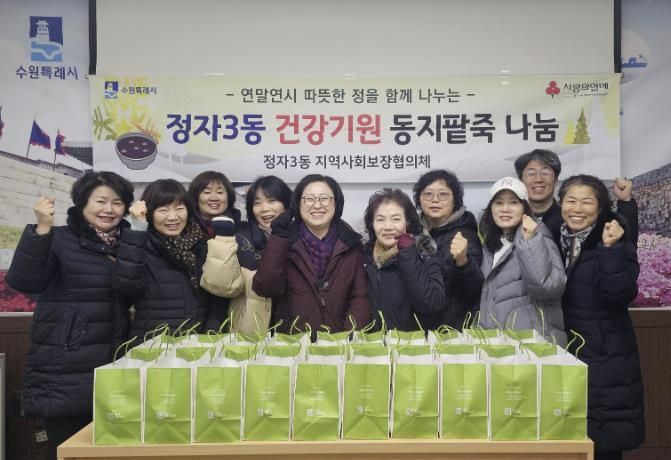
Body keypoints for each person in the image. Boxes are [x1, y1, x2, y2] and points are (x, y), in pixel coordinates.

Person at [5, 171, 134, 459]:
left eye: (117, 202)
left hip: (113, 362)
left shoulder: (128, 243)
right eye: (100, 201)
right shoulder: (59, 238)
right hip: (65, 364)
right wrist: (42, 228)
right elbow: (25, 281)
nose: (109, 209)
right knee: (68, 449)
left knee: (113, 450)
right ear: (82, 202)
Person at [558, 174, 644, 460]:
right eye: (570, 201)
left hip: (606, 357)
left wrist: (610, 250)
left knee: (603, 443)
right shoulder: (558, 238)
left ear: (600, 207)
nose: (577, 209)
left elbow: (619, 295)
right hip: (569, 352)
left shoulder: (612, 241)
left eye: (586, 202)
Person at [252, 174, 371, 336]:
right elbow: (266, 288)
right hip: (294, 341)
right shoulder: (284, 240)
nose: (317, 205)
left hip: (339, 341)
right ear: (298, 204)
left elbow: (360, 297)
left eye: (324, 198)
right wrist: (279, 238)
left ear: (336, 203)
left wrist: (349, 337)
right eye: (309, 199)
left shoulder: (351, 243)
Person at [115, 179, 229, 339]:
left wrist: (210, 336)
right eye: (163, 210)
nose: (173, 217)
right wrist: (137, 230)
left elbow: (218, 299)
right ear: (150, 213)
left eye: (179, 208)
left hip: (197, 346)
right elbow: (127, 286)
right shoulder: (139, 245)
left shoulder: (204, 245)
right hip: (151, 345)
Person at [477, 177, 567, 345]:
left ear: (525, 208)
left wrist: (530, 242)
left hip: (533, 346)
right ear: (491, 209)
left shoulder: (539, 237)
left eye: (513, 202)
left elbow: (548, 288)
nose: (505, 209)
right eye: (498, 203)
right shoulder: (490, 245)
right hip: (500, 346)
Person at [200, 175, 292, 333]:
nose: (264, 208)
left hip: (293, 333)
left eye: (272, 201)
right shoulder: (240, 238)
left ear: (286, 204)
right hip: (247, 335)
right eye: (257, 203)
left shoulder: (300, 238)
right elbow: (221, 290)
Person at [514, 148, 639, 245]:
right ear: (520, 179)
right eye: (531, 173)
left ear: (556, 178)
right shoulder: (511, 218)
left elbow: (622, 244)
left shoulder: (573, 217)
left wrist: (626, 202)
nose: (538, 179)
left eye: (545, 172)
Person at [362, 188, 446, 331]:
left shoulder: (424, 251)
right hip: (374, 343)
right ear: (372, 224)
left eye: (396, 219)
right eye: (380, 219)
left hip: (411, 343)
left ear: (407, 222)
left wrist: (408, 254)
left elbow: (432, 304)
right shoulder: (365, 257)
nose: (388, 227)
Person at [412, 169, 483, 330]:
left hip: (452, 329)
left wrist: (463, 262)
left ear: (455, 200)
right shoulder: (411, 232)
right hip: (416, 328)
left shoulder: (465, 235)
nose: (435, 200)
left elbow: (474, 290)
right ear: (419, 199)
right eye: (428, 194)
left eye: (443, 194)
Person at [187, 170, 241, 238]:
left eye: (219, 192)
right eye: (207, 192)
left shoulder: (242, 229)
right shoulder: (184, 228)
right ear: (196, 197)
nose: (214, 198)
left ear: (229, 196)